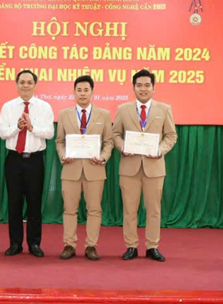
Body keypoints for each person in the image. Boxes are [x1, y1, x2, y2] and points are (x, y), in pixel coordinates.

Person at [112, 69, 178, 262]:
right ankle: (131, 246)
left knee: (154, 210)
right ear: (133, 88)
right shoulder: (123, 109)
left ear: (153, 88)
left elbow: (171, 136)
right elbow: (115, 134)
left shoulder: (164, 109)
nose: (143, 89)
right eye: (139, 85)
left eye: (147, 85)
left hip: (154, 167)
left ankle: (152, 246)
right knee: (129, 210)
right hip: (129, 168)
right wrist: (122, 146)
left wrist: (160, 150)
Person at [54, 75, 113, 261]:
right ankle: (69, 244)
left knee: (94, 210)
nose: (82, 93)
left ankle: (91, 246)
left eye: (86, 90)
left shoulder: (104, 115)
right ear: (74, 92)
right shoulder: (64, 114)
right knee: (69, 209)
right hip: (70, 168)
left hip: (95, 169)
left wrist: (103, 157)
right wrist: (63, 155)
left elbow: (109, 142)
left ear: (92, 92)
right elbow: (59, 141)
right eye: (79, 90)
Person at [0, 70, 55, 257]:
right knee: (14, 203)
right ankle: (15, 244)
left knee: (34, 203)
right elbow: (2, 133)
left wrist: (31, 127)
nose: (25, 85)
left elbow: (49, 133)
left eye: (29, 82)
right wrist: (17, 127)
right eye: (22, 82)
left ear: (35, 85)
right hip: (14, 159)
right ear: (16, 85)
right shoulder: (8, 107)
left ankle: (34, 244)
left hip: (35, 160)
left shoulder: (44, 107)